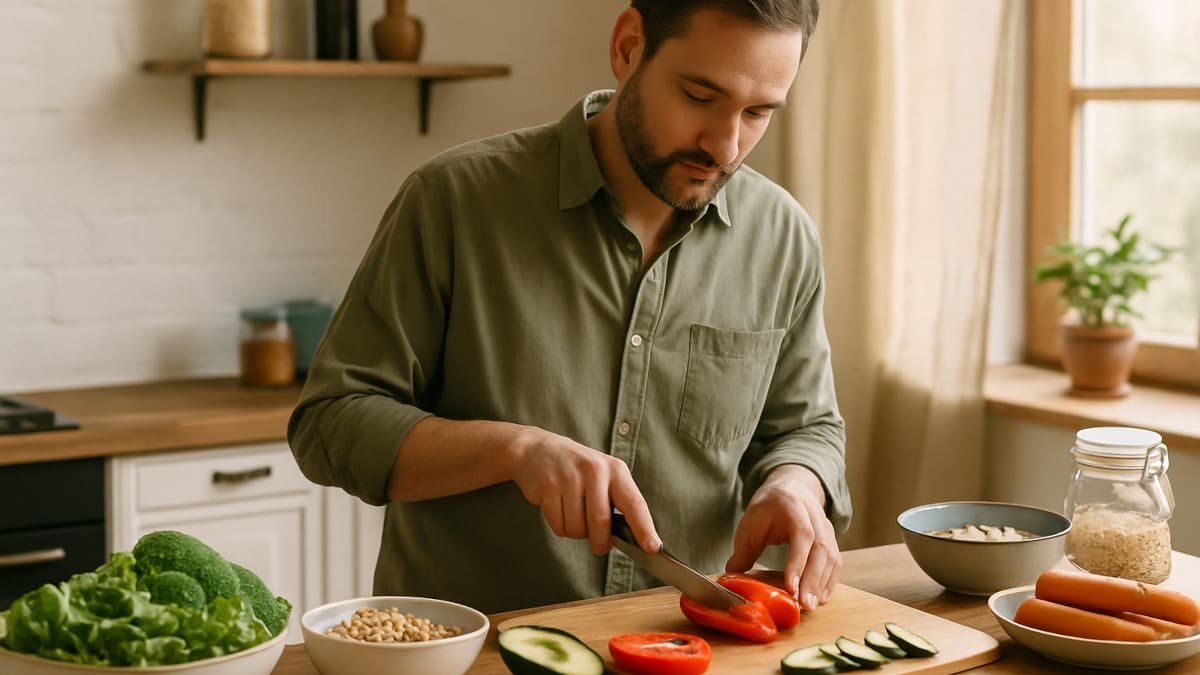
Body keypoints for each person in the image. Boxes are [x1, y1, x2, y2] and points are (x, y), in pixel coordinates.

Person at [289, 0, 850, 616]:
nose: (725, 144)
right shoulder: (454, 202)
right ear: (628, 46)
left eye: (758, 112)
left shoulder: (783, 238)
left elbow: (807, 427)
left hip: (690, 646)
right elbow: (330, 424)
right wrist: (515, 451)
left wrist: (796, 482)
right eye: (698, 95)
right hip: (473, 652)